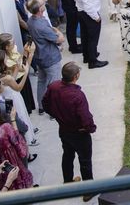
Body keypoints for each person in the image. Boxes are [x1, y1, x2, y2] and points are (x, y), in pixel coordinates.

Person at [42, 62, 97, 201]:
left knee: (67, 155)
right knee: (85, 161)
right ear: (76, 76)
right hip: (79, 133)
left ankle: (67, 183)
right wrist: (90, 128)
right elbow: (85, 117)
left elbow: (45, 103)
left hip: (64, 131)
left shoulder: (53, 86)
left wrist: (57, 116)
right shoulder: (78, 95)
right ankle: (88, 191)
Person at [0, 48, 37, 145]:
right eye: (5, 58)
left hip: (5, 98)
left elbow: (11, 80)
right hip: (13, 97)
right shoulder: (6, 77)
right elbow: (18, 87)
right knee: (19, 118)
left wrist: (16, 68)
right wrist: (25, 73)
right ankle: (26, 143)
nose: (7, 60)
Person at [68, 0, 109, 69]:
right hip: (89, 14)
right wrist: (96, 17)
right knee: (92, 38)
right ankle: (93, 61)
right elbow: (88, 6)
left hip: (81, 12)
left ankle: (87, 56)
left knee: (85, 35)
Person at [26, 0, 64, 107]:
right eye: (43, 3)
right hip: (50, 58)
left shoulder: (31, 21)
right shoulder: (41, 25)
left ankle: (42, 107)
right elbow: (59, 39)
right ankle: (53, 109)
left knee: (41, 82)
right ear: (39, 8)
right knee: (54, 85)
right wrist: (58, 32)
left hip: (39, 56)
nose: (45, 4)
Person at [0, 35, 35, 116]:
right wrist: (31, 54)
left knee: (26, 105)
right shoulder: (6, 61)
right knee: (23, 106)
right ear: (6, 47)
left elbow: (22, 61)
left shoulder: (12, 50)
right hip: (16, 81)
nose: (15, 44)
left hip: (20, 78)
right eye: (12, 43)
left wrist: (25, 51)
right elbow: (23, 68)